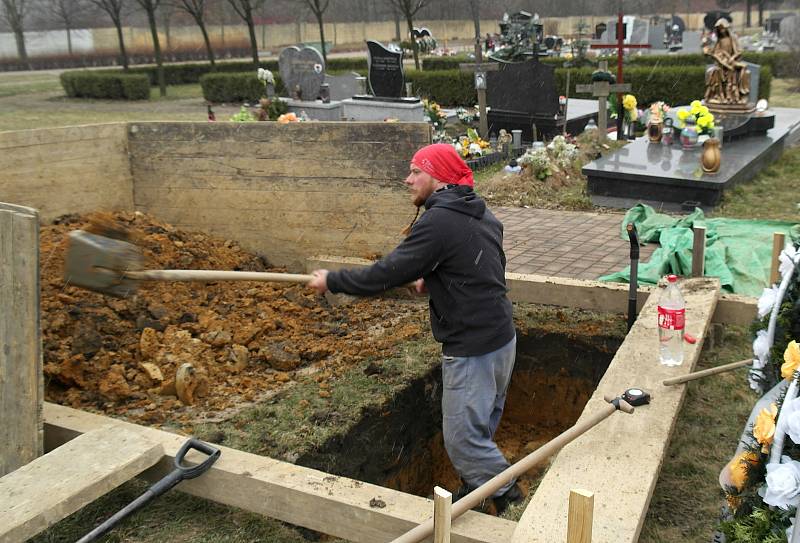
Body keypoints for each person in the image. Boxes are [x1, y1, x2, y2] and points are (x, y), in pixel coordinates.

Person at [307, 143, 523, 514]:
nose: (408, 180)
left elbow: (386, 273)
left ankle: (508, 497)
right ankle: (478, 489)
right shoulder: (476, 210)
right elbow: (479, 261)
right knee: (482, 423)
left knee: (461, 439)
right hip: (501, 337)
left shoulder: (438, 222)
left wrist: (334, 280)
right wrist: (436, 276)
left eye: (416, 171)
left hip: (472, 346)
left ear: (436, 175)